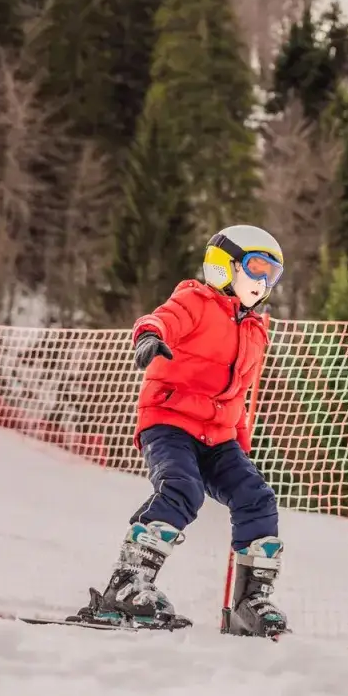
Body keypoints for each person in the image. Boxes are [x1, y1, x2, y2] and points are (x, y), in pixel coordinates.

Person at [74, 225, 288, 638]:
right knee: (182, 488)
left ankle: (251, 602)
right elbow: (161, 320)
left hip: (219, 439)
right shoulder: (196, 300)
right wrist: (149, 337)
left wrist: (240, 447)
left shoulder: (256, 330)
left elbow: (240, 394)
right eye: (256, 268)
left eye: (272, 275)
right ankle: (128, 582)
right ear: (224, 266)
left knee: (256, 496)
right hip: (170, 422)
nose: (263, 282)